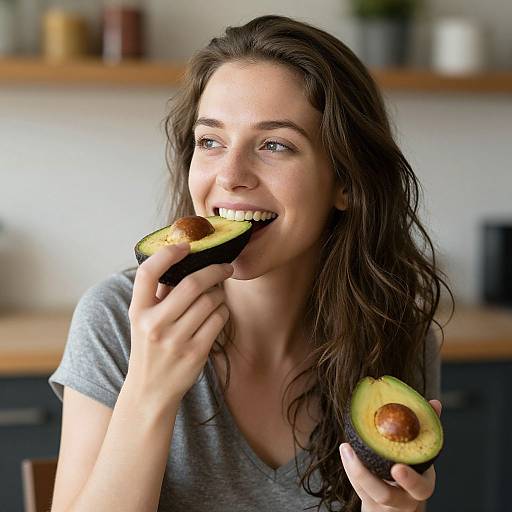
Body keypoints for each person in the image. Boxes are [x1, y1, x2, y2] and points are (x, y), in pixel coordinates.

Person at [48, 14, 452, 512]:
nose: (230, 176)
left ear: (346, 183)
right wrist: (149, 391)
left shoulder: (394, 331)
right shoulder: (117, 320)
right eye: (210, 141)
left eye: (274, 145)